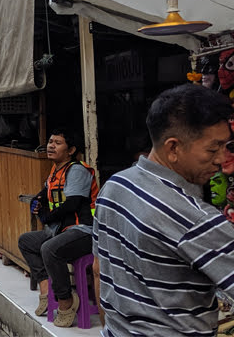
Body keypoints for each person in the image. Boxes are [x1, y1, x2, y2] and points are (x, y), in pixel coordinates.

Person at [95, 84, 234, 335]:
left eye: (227, 146)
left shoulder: (115, 186)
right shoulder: (194, 219)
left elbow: (98, 270)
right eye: (213, 148)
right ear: (173, 148)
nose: (222, 159)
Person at [18, 128, 98, 328]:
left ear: (70, 150)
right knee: (26, 241)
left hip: (84, 231)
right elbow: (43, 194)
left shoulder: (77, 170)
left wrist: (46, 216)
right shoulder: (55, 171)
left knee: (49, 249)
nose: (51, 146)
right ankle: (46, 289)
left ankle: (66, 301)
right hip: (62, 231)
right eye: (50, 141)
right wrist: (36, 202)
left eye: (57, 143)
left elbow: (71, 204)